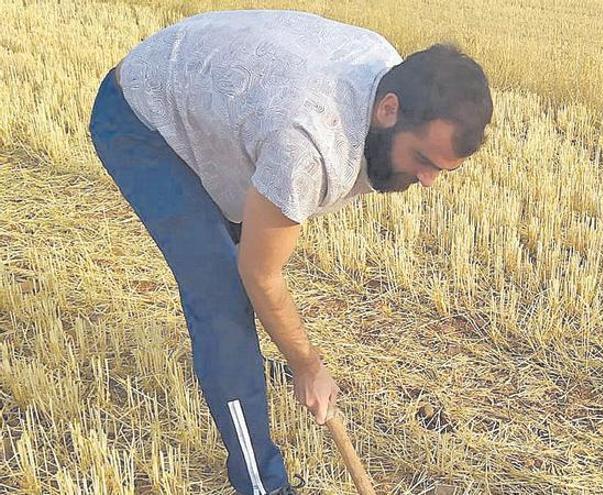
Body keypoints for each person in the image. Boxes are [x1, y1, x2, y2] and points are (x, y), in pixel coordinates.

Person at [87, 8, 493, 495]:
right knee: (224, 299)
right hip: (142, 119)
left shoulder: (389, 74)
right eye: (423, 160)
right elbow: (261, 274)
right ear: (388, 109)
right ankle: (262, 483)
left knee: (245, 270)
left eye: (440, 171)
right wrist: (308, 365)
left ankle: (251, 366)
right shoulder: (307, 142)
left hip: (220, 106)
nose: (426, 181)